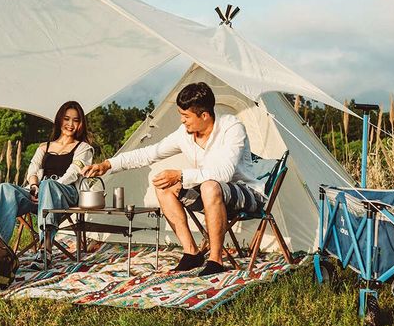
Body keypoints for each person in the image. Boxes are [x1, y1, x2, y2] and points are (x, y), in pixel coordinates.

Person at [82, 82, 264, 276]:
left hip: (246, 195)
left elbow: (223, 173)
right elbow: (149, 153)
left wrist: (180, 175)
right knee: (164, 186)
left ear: (204, 115)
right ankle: (192, 253)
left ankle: (215, 260)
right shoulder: (184, 134)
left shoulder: (231, 127)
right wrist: (108, 165)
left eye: (186, 116)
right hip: (209, 194)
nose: (182, 120)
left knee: (210, 186)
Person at [0, 101, 93, 268]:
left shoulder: (84, 148)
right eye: (66, 119)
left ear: (80, 124)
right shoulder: (44, 147)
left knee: (49, 184)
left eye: (76, 120)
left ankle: (45, 249)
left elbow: (73, 173)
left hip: (65, 193)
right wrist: (36, 188)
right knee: (5, 188)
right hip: (38, 194)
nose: (70, 124)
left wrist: (45, 188)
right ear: (59, 120)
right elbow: (32, 171)